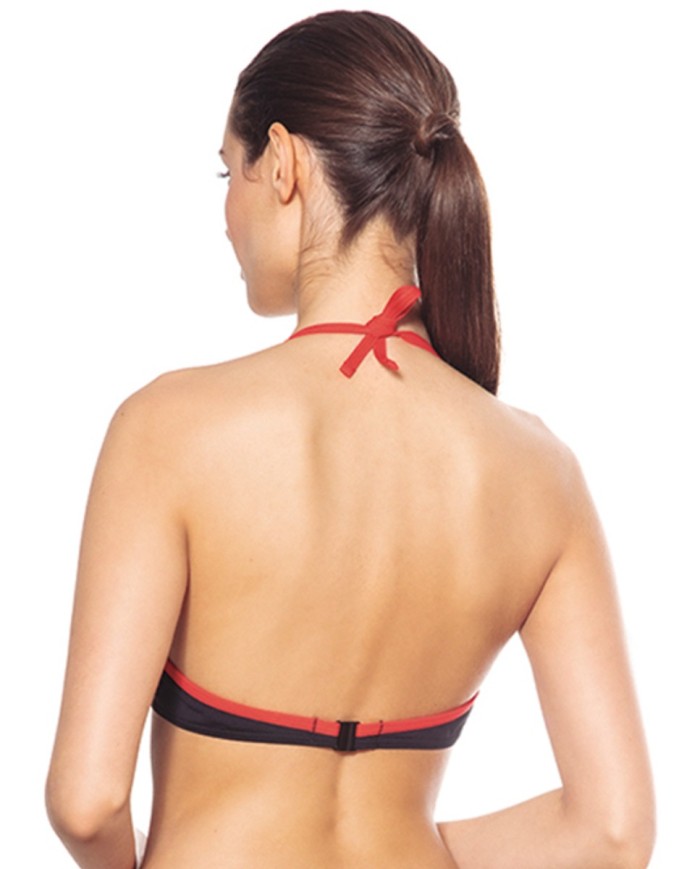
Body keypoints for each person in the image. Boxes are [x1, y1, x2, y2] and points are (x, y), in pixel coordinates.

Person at [46, 10, 655, 868]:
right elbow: (613, 830)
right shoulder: (541, 470)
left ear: (283, 162)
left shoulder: (168, 429)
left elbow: (87, 802)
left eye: (227, 169)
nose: (225, 214)